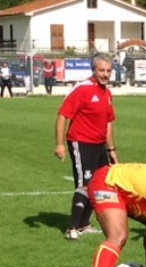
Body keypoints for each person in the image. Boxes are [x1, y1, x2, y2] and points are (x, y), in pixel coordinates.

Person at [54, 52, 117, 240]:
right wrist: (60, 144)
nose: (105, 74)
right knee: (84, 183)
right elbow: (63, 115)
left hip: (99, 145)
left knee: (99, 184)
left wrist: (111, 150)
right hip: (81, 143)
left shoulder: (107, 93)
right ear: (93, 70)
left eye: (108, 71)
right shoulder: (83, 89)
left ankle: (84, 224)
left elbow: (108, 123)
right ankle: (72, 227)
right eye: (101, 70)